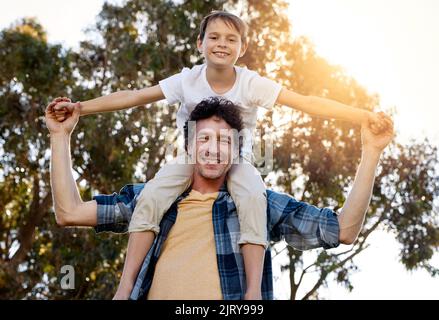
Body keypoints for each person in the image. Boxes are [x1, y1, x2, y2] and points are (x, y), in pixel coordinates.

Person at [48, 10, 391, 299]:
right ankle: (124, 289)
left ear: (242, 49)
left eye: (231, 39)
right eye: (214, 38)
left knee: (253, 197)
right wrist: (80, 109)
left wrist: (362, 119)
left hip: (239, 168)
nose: (221, 45)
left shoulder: (252, 84)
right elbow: (135, 96)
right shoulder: (187, 80)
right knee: (153, 193)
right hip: (183, 166)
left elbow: (307, 103)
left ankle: (252, 294)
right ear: (200, 44)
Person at [47, 97, 394, 300]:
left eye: (225, 141)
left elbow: (343, 230)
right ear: (188, 146)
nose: (213, 150)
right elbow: (69, 211)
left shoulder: (255, 204)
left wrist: (371, 153)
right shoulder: (154, 199)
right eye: (204, 139)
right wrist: (60, 136)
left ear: (236, 151)